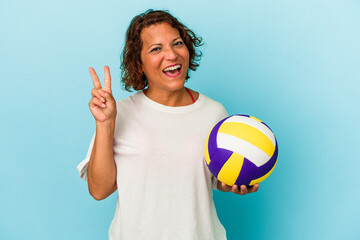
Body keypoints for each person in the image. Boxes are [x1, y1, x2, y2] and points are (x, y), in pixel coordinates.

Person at [77, 9, 259, 240]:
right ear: (139, 63)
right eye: (156, 49)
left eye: (177, 43)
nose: (172, 55)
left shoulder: (214, 112)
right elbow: (99, 190)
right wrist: (105, 123)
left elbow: (215, 178)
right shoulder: (119, 113)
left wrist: (235, 182)